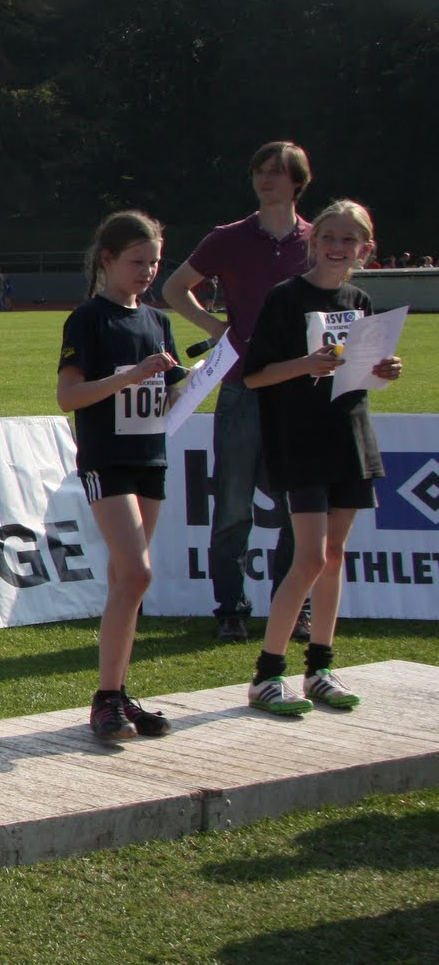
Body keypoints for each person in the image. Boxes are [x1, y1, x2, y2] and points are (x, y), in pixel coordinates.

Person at [240, 200, 402, 715]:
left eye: (349, 240)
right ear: (313, 241)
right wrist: (306, 364)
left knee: (334, 557)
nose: (337, 247)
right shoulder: (286, 297)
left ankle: (320, 669)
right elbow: (254, 375)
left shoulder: (360, 299)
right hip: (301, 441)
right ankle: (267, 675)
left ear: (366, 249)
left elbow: (362, 371)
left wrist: (384, 370)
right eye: (329, 237)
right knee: (309, 557)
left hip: (350, 437)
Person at [163, 141, 313, 643]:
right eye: (259, 171)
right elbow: (174, 288)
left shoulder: (316, 240)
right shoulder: (228, 238)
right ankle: (231, 608)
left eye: (277, 172)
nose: (265, 180)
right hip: (241, 388)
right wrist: (216, 327)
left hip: (298, 391)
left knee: (297, 509)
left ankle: (294, 607)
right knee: (232, 507)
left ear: (298, 181)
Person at [56, 212, 185, 740]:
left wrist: (191, 381)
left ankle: (118, 692)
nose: (148, 271)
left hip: (149, 457)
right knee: (137, 573)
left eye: (154, 262)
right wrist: (131, 375)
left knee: (126, 581)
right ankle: (106, 698)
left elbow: (170, 394)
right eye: (137, 261)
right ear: (107, 259)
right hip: (106, 459)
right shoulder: (88, 319)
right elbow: (69, 396)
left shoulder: (157, 321)